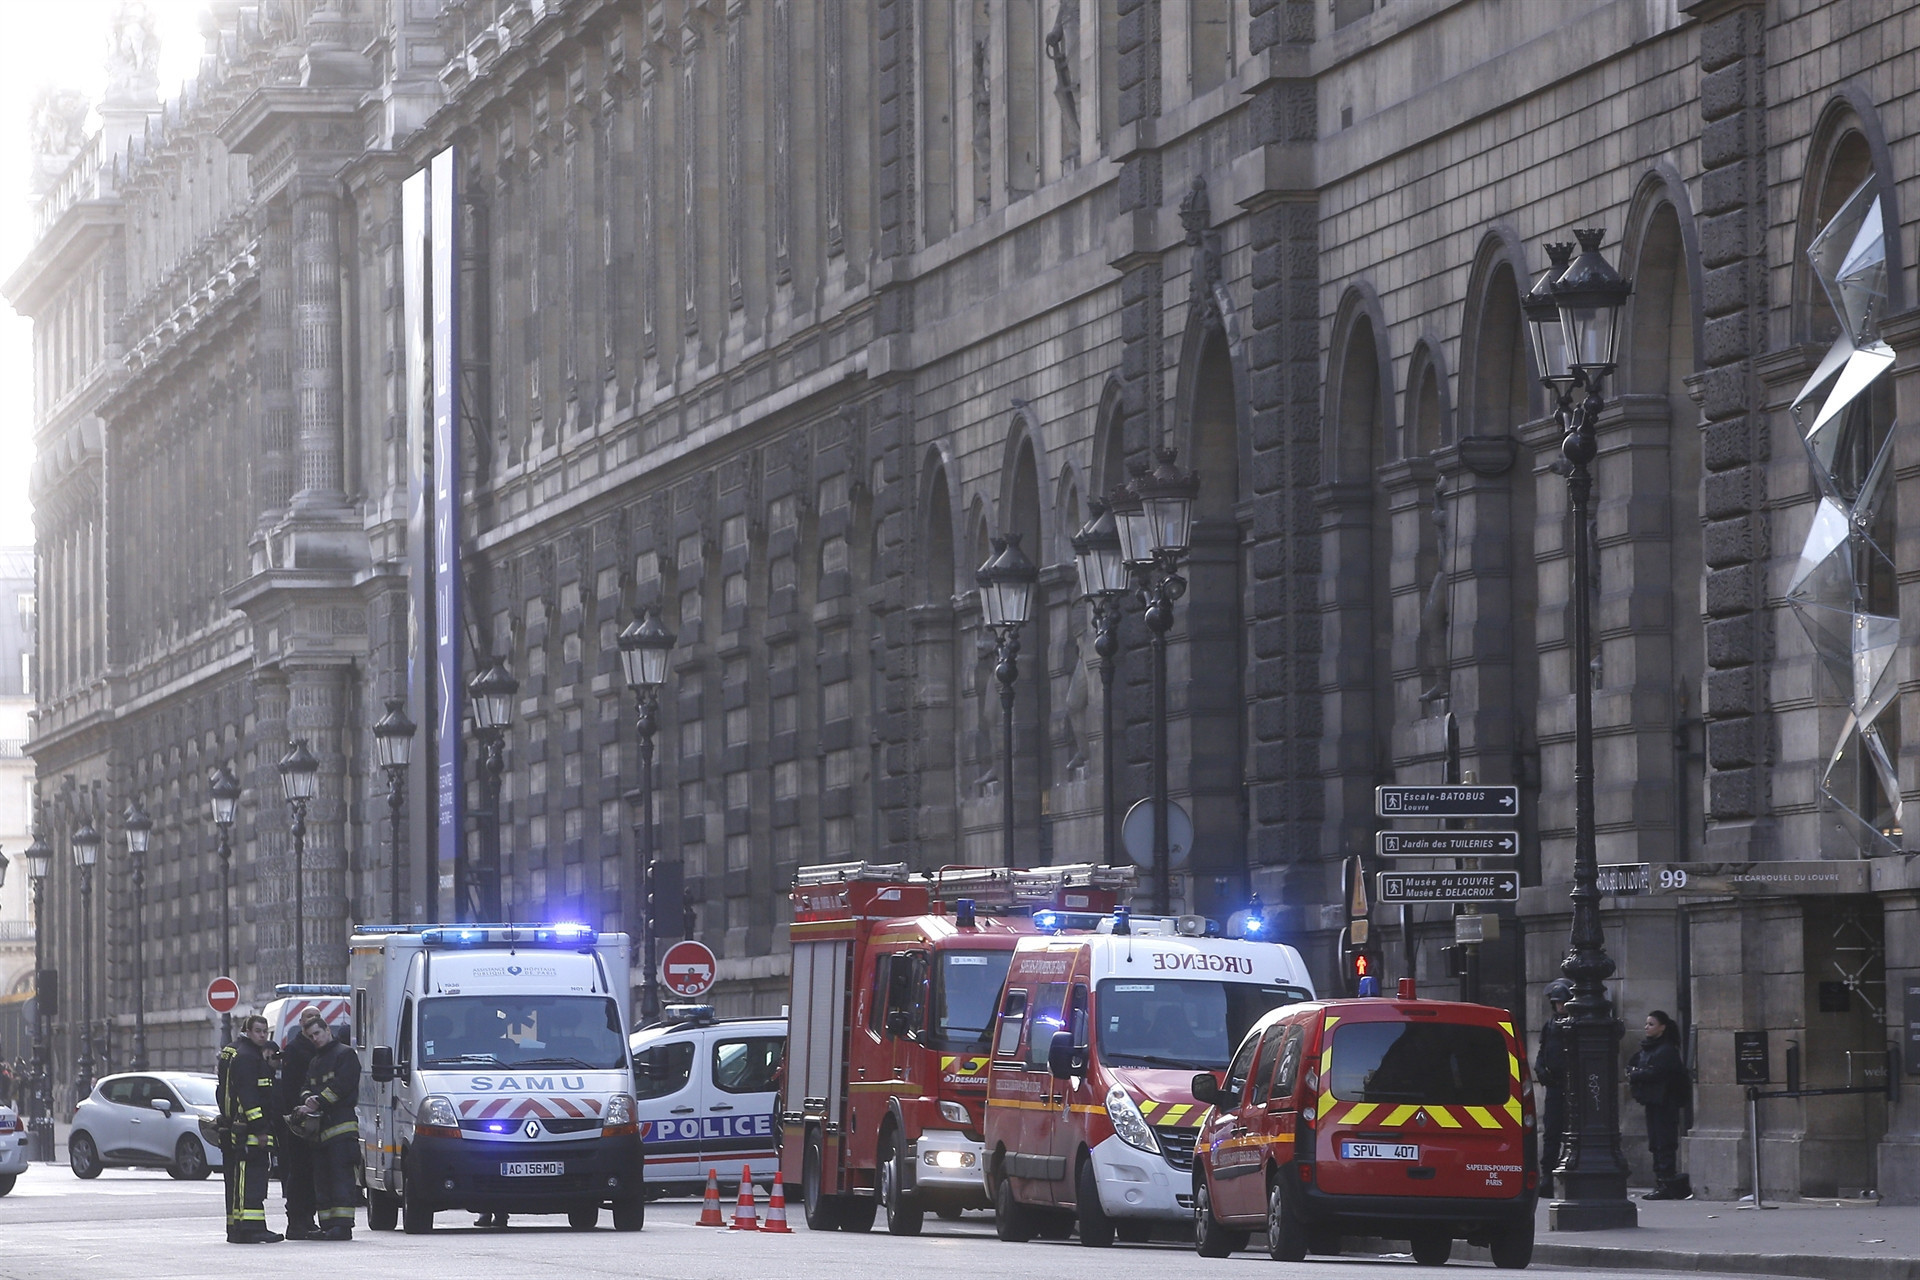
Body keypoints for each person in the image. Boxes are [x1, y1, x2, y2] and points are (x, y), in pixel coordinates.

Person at [217, 1015, 283, 1244]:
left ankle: (238, 1229)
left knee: (242, 1181)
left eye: (265, 1031)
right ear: (247, 1031)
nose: (262, 1035)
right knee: (252, 1181)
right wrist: (261, 1129)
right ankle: (252, 1228)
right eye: (258, 1031)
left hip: (243, 1128)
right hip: (251, 1132)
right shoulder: (248, 1057)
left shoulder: (242, 1053)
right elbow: (249, 1097)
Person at [294, 1011, 360, 1241]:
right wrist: (306, 1099)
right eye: (311, 1036)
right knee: (323, 1180)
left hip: (341, 1128)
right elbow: (305, 1086)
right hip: (320, 1132)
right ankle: (327, 1225)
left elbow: (343, 1085)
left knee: (341, 1178)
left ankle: (342, 1226)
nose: (315, 1039)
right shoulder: (315, 1061)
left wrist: (318, 1101)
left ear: (327, 1030)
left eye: (317, 1033)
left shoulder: (345, 1054)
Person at [1626, 1009, 1691, 1201]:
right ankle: (1661, 1182)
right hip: (1653, 1101)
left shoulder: (1667, 1050)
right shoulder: (1648, 1049)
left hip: (1665, 1102)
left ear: (1662, 1027)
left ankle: (1666, 1183)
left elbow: (1658, 1072)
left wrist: (1638, 1074)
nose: (1646, 1027)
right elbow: (1634, 1066)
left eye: (1651, 1024)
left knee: (1664, 1142)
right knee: (1656, 1142)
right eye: (1646, 1024)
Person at [272, 1012, 322, 1239]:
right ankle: (296, 1221)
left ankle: (308, 1218)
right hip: (299, 1121)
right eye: (308, 1017)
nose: (312, 1020)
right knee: (298, 1171)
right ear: (301, 1023)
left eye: (316, 1016)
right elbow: (290, 1087)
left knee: (311, 1172)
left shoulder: (319, 1048)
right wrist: (298, 1113)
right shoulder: (295, 1049)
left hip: (316, 1120)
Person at [1533, 978, 1572, 1198]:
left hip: (1571, 1086)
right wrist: (1540, 1069)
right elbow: (1542, 1051)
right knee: (1551, 1133)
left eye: (1563, 1002)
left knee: (1571, 1134)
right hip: (1554, 1085)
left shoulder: (1575, 1023)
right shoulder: (1550, 1025)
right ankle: (1547, 1176)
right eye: (1557, 1003)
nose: (1560, 1006)